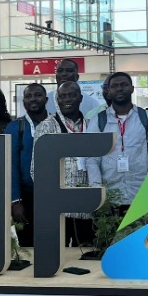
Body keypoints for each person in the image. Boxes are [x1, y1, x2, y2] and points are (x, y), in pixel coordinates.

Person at [86, 72, 148, 209]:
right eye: (115, 86)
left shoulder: (147, 118)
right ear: (108, 91)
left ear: (132, 89)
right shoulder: (98, 120)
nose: (120, 89)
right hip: (110, 198)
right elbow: (92, 159)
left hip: (141, 195)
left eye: (124, 85)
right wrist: (97, 192)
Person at [34, 81, 94, 246]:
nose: (67, 99)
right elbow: (36, 169)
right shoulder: (46, 127)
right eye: (63, 96)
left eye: (72, 95)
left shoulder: (91, 125)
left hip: (87, 207)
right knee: (57, 254)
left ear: (80, 98)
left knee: (85, 253)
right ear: (57, 100)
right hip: (58, 207)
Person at [7, 83, 47, 248]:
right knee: (28, 245)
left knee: (56, 241)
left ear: (46, 98)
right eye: (28, 96)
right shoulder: (16, 127)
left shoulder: (57, 123)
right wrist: (15, 201)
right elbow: (11, 165)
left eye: (37, 95)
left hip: (54, 194)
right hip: (26, 195)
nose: (33, 99)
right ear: (23, 101)